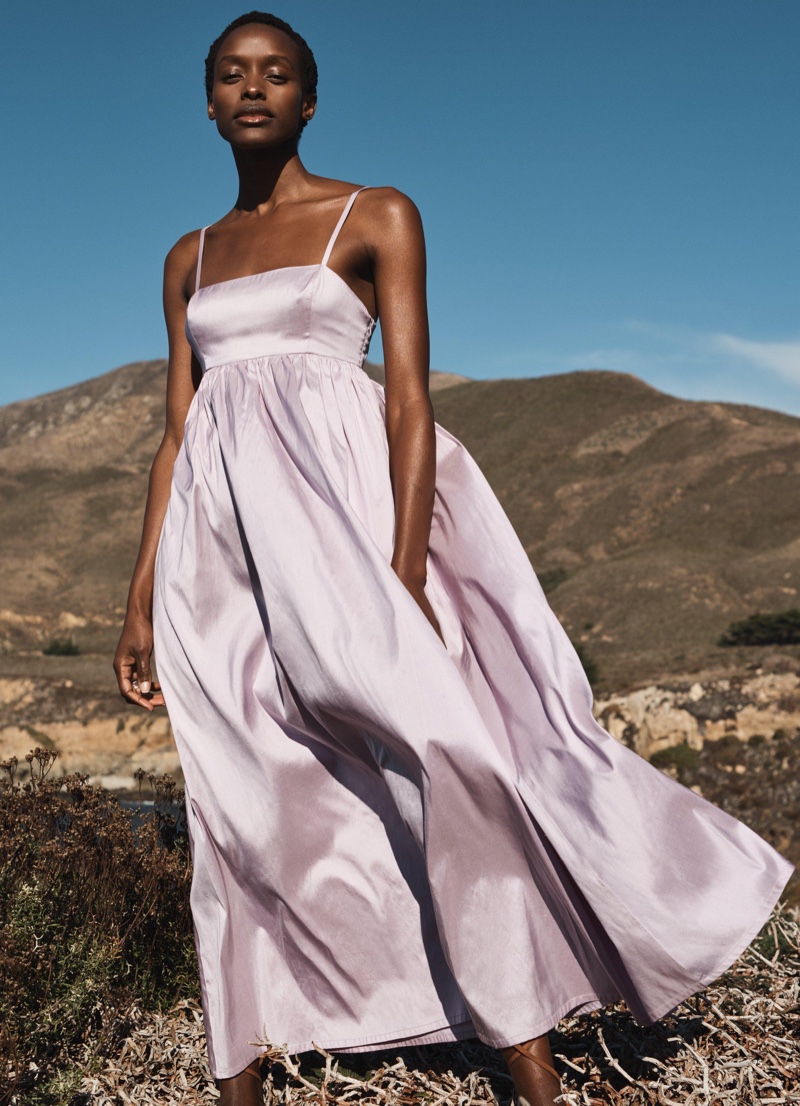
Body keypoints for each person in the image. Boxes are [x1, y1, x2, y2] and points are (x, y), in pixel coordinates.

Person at [113, 11, 794, 1106]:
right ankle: (238, 1056)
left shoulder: (373, 212)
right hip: (220, 550)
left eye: (276, 73)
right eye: (232, 75)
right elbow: (176, 432)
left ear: (308, 98)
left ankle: (521, 1032)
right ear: (205, 101)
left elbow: (413, 404)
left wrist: (405, 568)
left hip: (345, 528)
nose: (254, 89)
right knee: (241, 791)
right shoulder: (186, 258)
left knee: (451, 753)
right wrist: (141, 593)